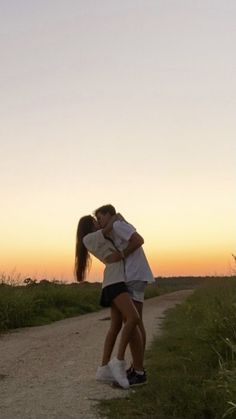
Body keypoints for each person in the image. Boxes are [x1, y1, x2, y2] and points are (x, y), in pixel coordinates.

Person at [75, 214, 144, 389]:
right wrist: (117, 216)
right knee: (133, 318)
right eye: (95, 221)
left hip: (115, 280)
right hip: (115, 283)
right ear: (89, 226)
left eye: (99, 220)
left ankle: (103, 368)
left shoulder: (97, 237)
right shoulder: (89, 238)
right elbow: (108, 229)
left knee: (115, 326)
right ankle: (118, 361)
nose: (98, 223)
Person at [94, 204, 155, 386]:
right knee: (136, 322)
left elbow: (139, 240)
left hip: (134, 275)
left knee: (134, 322)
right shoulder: (117, 225)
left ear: (108, 215)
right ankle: (137, 367)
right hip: (135, 274)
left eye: (100, 218)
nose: (99, 222)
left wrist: (122, 254)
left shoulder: (118, 226)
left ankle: (138, 370)